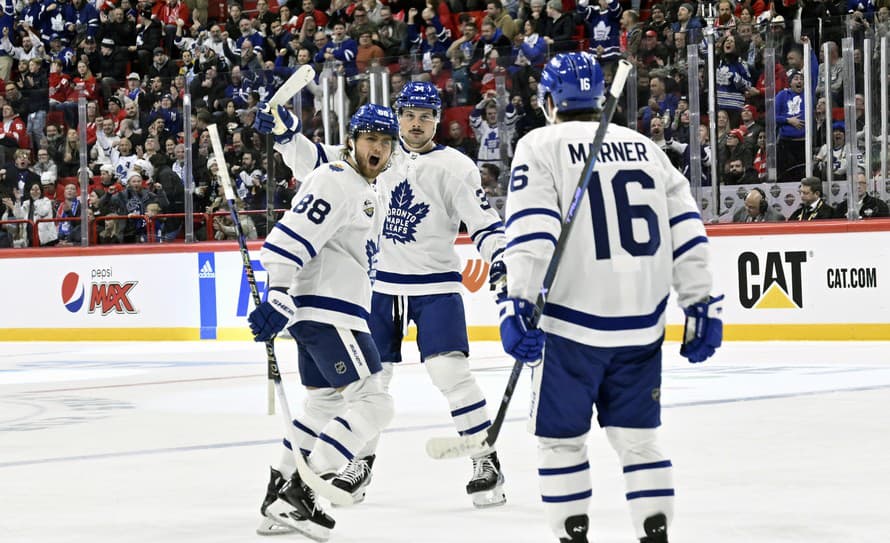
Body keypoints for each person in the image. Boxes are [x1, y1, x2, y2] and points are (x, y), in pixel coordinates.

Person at [498, 52, 723, 543]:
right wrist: (702, 302)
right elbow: (687, 231)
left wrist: (515, 303)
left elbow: (533, 236)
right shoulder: (646, 147)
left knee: (560, 444)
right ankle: (654, 533)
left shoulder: (539, 144)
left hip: (569, 327)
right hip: (641, 324)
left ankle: (571, 535)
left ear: (549, 100)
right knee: (640, 441)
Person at [254, 81, 508, 509]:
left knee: (451, 374)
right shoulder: (381, 150)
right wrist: (286, 136)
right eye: (409, 114)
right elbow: (319, 163)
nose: (416, 123)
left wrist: (499, 255)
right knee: (371, 385)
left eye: (425, 116)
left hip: (435, 286)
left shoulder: (456, 166)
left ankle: (485, 460)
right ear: (398, 115)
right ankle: (359, 464)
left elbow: (483, 221)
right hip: (381, 289)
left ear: (438, 119)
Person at [248, 104, 399, 540]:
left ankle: (275, 497)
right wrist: (277, 291)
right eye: (370, 138)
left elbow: (310, 159)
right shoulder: (337, 181)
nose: (379, 148)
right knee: (375, 403)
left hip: (326, 311)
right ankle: (301, 494)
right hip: (332, 310)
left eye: (385, 142)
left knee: (324, 407)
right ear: (351, 141)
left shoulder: (359, 182)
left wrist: (287, 134)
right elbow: (288, 236)